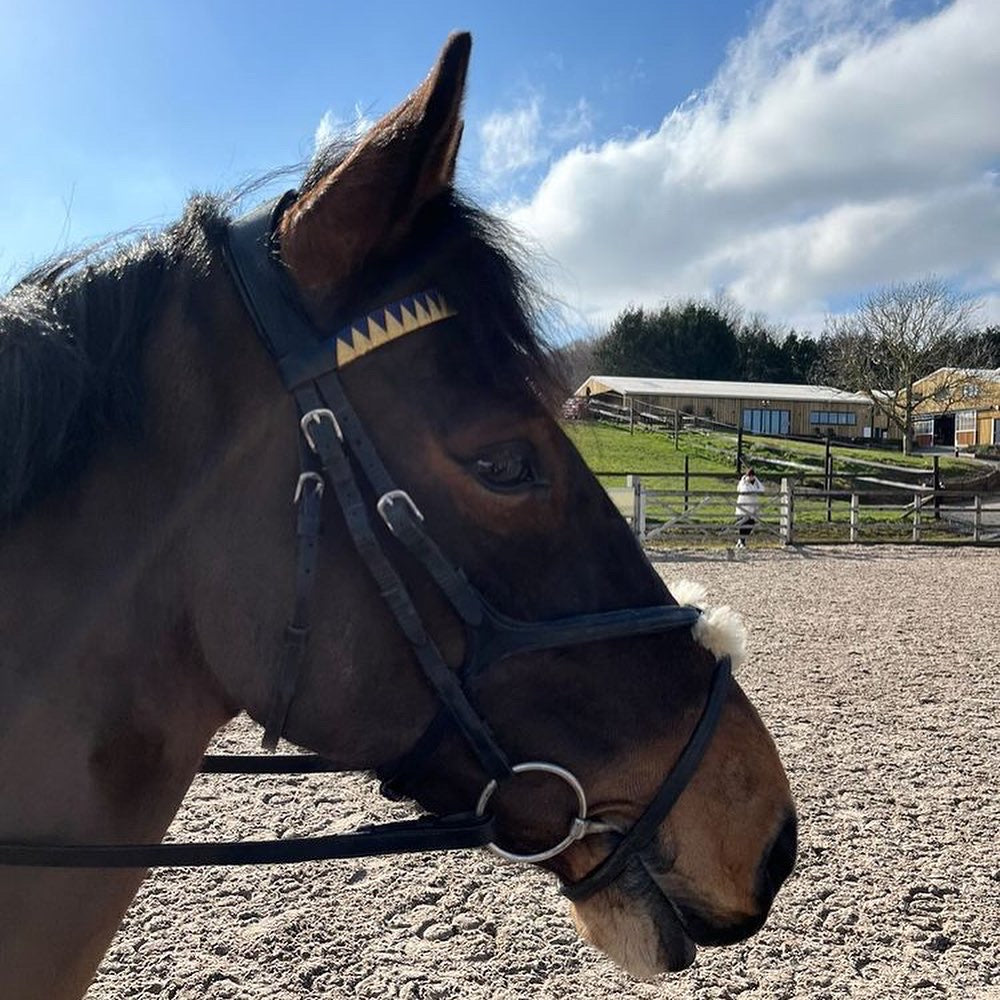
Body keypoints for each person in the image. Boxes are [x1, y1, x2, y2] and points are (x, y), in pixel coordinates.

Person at [734, 468, 765, 549]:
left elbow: (762, 489)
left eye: (753, 476)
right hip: (743, 508)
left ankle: (741, 541)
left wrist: (757, 480)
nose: (751, 478)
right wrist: (755, 490)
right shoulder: (743, 483)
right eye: (750, 476)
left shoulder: (755, 483)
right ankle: (742, 542)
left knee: (751, 523)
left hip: (752, 508)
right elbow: (745, 491)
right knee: (743, 525)